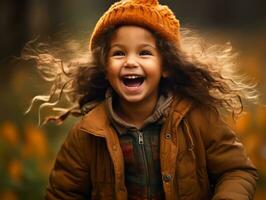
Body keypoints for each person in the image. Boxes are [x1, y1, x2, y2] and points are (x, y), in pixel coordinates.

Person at [26, 0, 259, 199]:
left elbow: (237, 171)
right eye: (119, 53)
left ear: (165, 65)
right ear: (105, 68)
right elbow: (63, 194)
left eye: (144, 52)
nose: (130, 61)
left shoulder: (197, 118)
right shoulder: (87, 135)